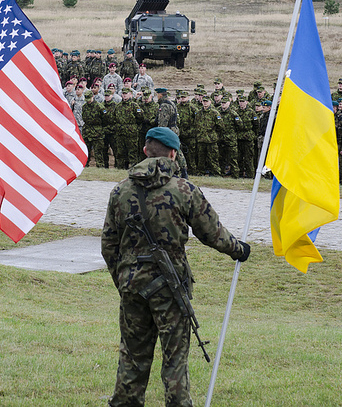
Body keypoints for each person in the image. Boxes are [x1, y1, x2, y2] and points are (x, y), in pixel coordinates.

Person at [101, 127, 250, 407]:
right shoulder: (184, 190)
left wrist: (123, 279)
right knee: (175, 361)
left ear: (146, 150)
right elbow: (212, 233)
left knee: (132, 358)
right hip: (170, 288)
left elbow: (109, 245)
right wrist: (239, 250)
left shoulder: (120, 190)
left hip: (132, 285)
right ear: (173, 153)